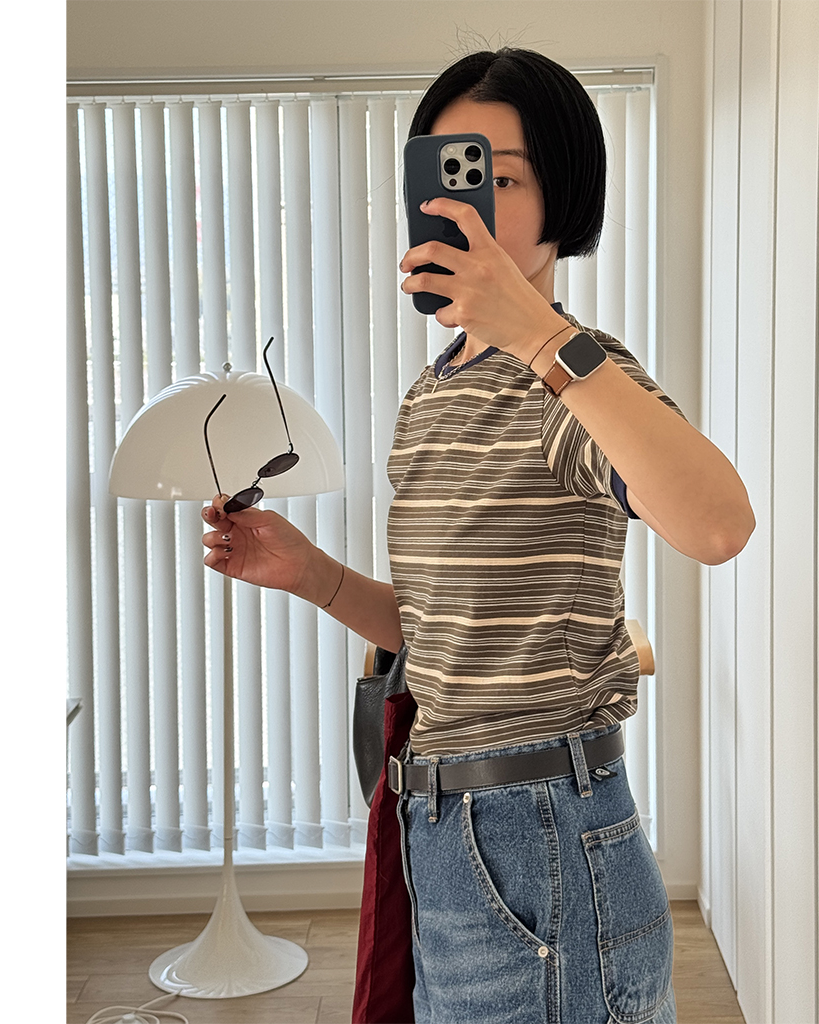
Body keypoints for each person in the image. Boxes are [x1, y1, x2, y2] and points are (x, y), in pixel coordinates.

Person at [202, 47, 754, 1024]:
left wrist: (542, 337)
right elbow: (439, 631)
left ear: (563, 196)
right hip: (445, 833)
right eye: (451, 172)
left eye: (502, 178)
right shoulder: (431, 396)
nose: (470, 204)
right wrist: (312, 574)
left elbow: (717, 524)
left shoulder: (576, 376)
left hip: (543, 838)